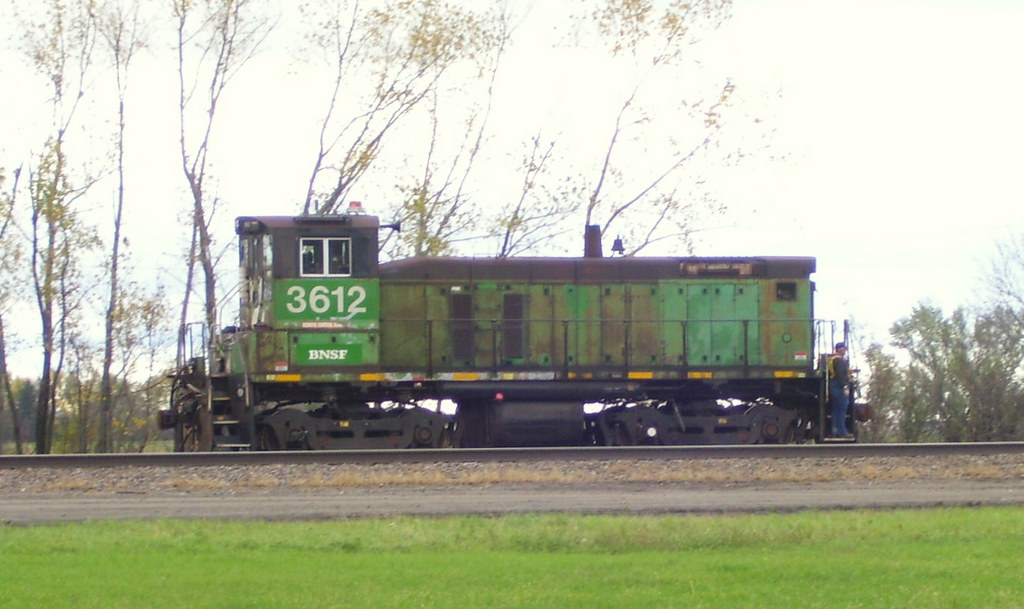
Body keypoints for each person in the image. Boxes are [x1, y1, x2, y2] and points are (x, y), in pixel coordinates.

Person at [827, 342, 852, 438]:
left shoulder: (832, 360)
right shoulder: (840, 361)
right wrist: (845, 386)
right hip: (839, 386)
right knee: (842, 409)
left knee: (835, 409)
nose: (845, 350)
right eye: (844, 349)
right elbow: (840, 374)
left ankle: (834, 430)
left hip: (834, 385)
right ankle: (842, 431)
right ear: (841, 349)